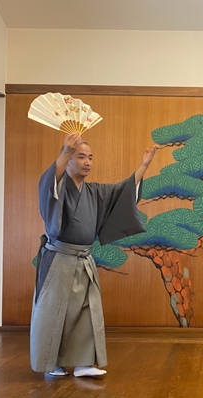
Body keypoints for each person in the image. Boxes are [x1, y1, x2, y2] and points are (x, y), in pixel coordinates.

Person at [30, 132, 157, 377]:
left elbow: (122, 191)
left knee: (88, 310)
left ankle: (83, 363)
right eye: (81, 157)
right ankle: (52, 363)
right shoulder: (58, 187)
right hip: (59, 259)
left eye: (90, 157)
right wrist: (65, 150)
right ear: (68, 160)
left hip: (84, 259)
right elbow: (49, 184)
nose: (87, 162)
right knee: (54, 311)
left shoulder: (94, 192)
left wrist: (144, 166)